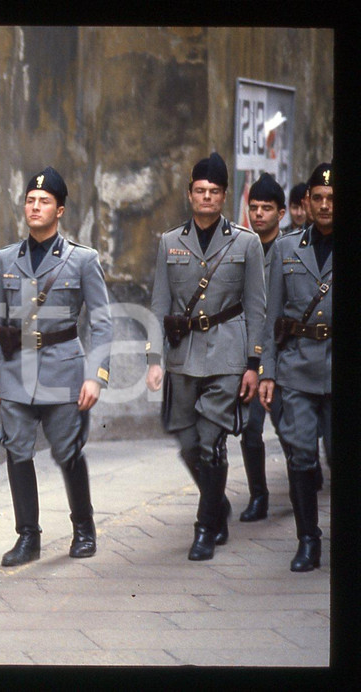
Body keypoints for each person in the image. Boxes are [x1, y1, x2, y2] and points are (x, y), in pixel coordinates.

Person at [0, 166, 113, 566]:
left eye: (44, 202)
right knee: (18, 451)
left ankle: (84, 529)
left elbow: (102, 322)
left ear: (60, 210)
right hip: (16, 369)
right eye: (30, 200)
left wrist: (95, 375)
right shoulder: (5, 258)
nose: (35, 207)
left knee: (67, 451)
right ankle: (28, 537)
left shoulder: (81, 260)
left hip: (63, 369)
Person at [145, 152, 265, 561]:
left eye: (214, 192)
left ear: (225, 196)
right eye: (200, 191)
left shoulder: (245, 243)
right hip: (182, 353)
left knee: (211, 441)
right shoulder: (169, 242)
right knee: (185, 439)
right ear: (190, 194)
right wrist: (154, 359)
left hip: (227, 352)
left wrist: (254, 365)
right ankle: (218, 503)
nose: (207, 197)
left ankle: (204, 528)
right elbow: (160, 300)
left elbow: (256, 307)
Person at [259, 162, 332, 572]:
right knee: (301, 454)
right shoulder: (287, 249)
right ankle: (308, 540)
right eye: (317, 199)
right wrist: (267, 371)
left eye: (332, 199)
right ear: (307, 202)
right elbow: (270, 318)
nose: (324, 206)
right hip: (297, 368)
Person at [238, 173, 288, 522]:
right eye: (253, 208)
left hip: (286, 353)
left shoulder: (292, 249)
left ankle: (307, 470)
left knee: (290, 429)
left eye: (266, 208)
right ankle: (259, 496)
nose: (258, 215)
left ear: (280, 213)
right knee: (250, 429)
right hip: (253, 352)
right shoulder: (241, 249)